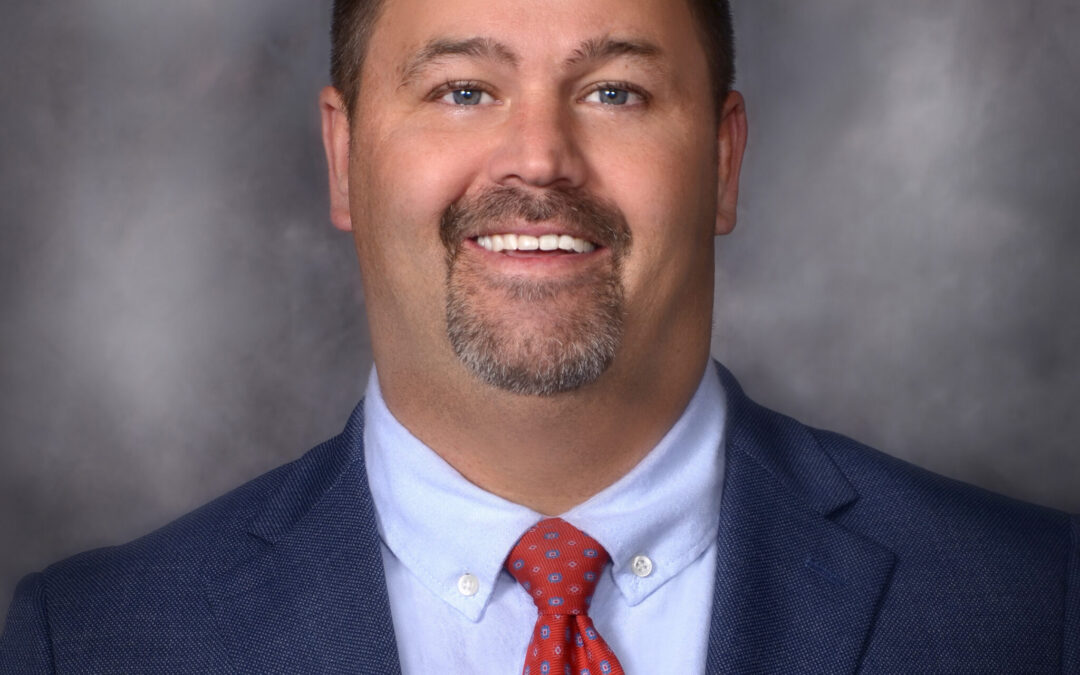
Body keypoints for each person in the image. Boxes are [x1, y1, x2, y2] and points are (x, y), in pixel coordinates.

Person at [1, 0, 1077, 672]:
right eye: (463, 89)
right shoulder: (92, 643)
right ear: (344, 155)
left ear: (722, 161)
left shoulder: (1036, 608)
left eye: (614, 91)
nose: (539, 159)